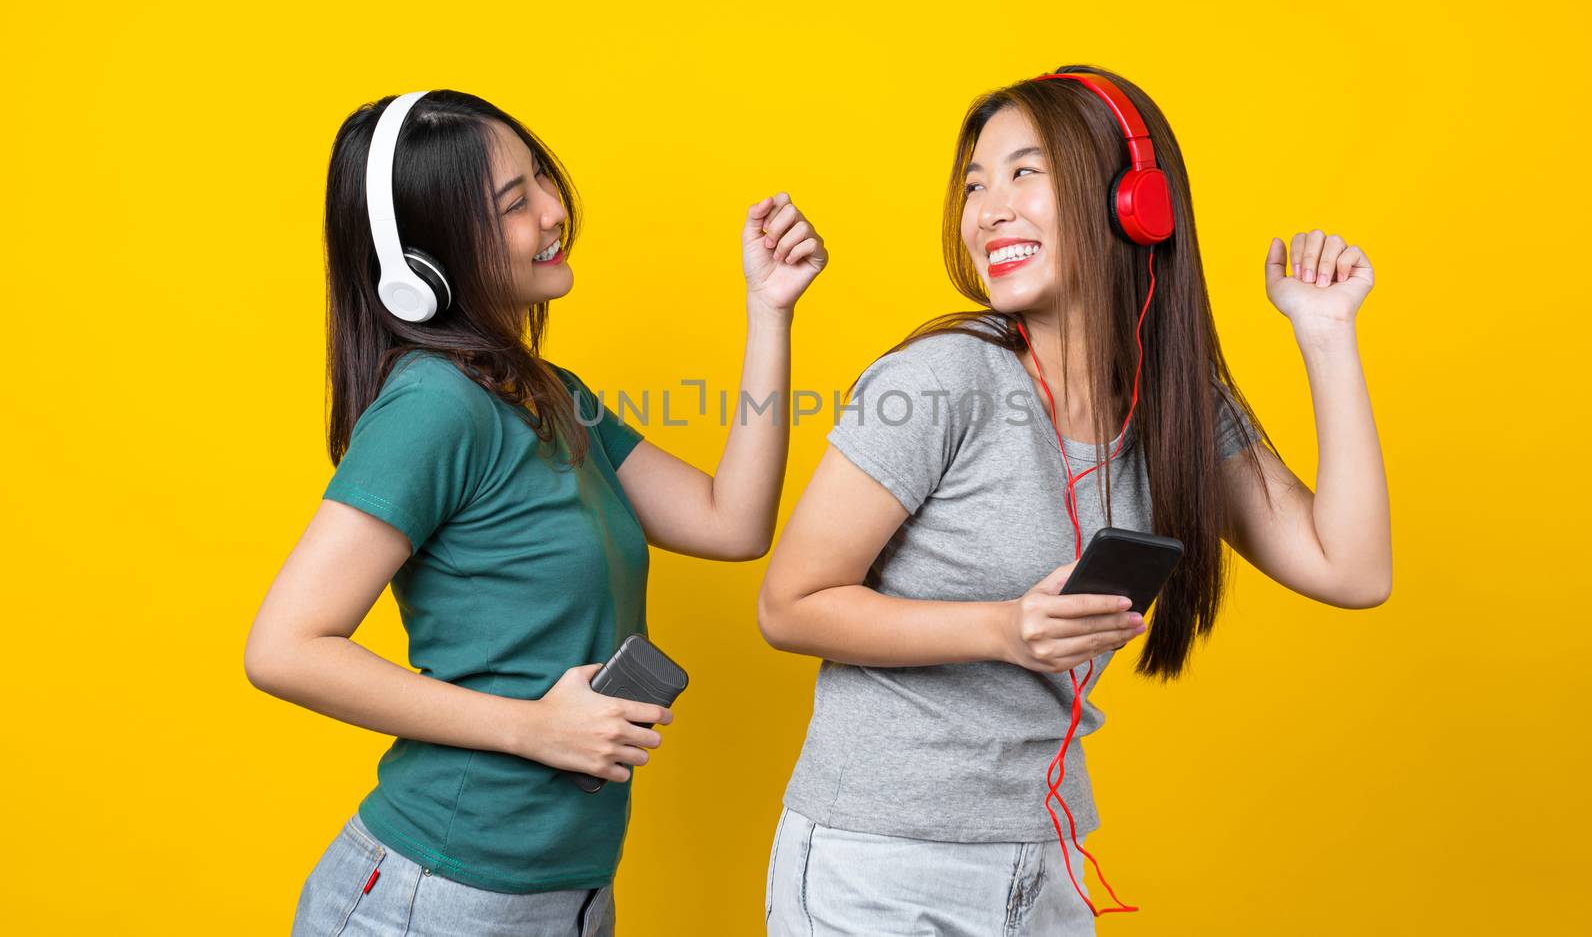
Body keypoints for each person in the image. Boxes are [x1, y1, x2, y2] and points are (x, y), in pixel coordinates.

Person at [757, 64, 1390, 936]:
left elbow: (1351, 569)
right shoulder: (944, 380)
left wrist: (1326, 337)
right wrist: (1002, 628)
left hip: (1043, 859)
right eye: (976, 183)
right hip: (880, 858)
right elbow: (789, 604)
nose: (989, 209)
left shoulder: (1178, 405)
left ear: (1136, 203)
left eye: (1026, 172)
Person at [244, 89, 827, 936]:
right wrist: (536, 728)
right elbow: (282, 648)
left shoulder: (556, 400)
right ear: (423, 265)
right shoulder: (433, 407)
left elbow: (730, 522)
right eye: (515, 202)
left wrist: (769, 310)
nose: (555, 211)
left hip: (569, 897)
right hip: (437, 896)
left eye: (542, 180)